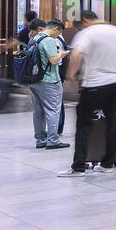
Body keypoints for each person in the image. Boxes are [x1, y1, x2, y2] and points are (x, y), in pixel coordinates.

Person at [58, 10, 116, 177]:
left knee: (84, 125)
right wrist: (111, 67)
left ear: (85, 21)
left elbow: (76, 55)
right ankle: (107, 164)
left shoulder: (88, 33)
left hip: (94, 85)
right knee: (112, 122)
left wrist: (71, 76)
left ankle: (78, 167)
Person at [30, 19, 69, 151]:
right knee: (53, 110)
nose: (58, 36)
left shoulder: (34, 39)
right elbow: (53, 60)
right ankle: (53, 140)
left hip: (34, 80)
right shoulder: (49, 40)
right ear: (55, 28)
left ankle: (40, 139)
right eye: (58, 33)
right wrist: (62, 54)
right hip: (49, 80)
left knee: (38, 111)